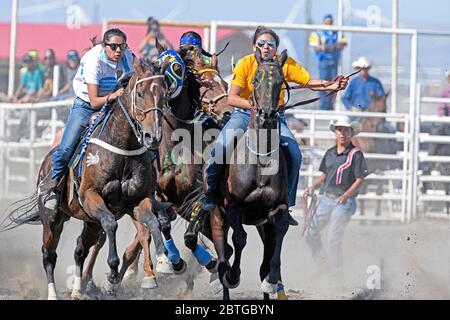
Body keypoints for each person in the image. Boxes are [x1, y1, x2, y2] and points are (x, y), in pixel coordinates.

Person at [202, 26, 349, 226]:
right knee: (221, 146)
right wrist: (254, 106)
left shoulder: (285, 63)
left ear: (276, 48)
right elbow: (232, 98)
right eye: (261, 44)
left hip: (274, 118)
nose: (266, 47)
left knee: (295, 154)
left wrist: (332, 85)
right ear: (255, 46)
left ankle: (286, 202)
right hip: (245, 115)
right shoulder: (246, 64)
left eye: (270, 44)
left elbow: (308, 82)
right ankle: (210, 193)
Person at [43, 28, 134, 210]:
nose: (118, 51)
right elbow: (94, 102)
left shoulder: (127, 56)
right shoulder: (93, 60)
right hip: (86, 105)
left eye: (122, 46)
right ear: (104, 45)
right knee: (67, 147)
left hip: (116, 102)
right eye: (114, 46)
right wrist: (114, 95)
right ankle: (53, 188)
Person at [303, 116, 368, 286]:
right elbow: (324, 175)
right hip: (326, 199)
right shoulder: (330, 153)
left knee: (333, 237)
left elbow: (359, 179)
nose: (342, 133)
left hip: (344, 203)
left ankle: (336, 277)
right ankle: (323, 264)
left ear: (351, 133)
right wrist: (313, 186)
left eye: (346, 130)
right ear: (335, 132)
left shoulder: (356, 154)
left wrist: (346, 195)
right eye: (339, 130)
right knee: (310, 233)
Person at [309, 14, 347, 110]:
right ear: (324, 21)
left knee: (334, 83)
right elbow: (316, 48)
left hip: (334, 62)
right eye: (327, 21)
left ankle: (330, 106)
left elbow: (343, 43)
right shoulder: (318, 33)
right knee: (322, 84)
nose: (328, 23)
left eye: (330, 21)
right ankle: (323, 107)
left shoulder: (337, 33)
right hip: (324, 62)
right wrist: (334, 46)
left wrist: (326, 48)